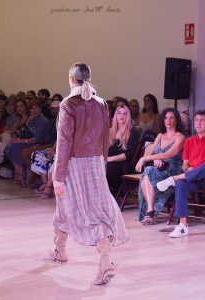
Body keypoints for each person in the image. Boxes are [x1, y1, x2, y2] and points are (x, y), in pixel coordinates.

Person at [50, 63, 128, 285]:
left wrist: (58, 175)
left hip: (73, 164)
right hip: (95, 162)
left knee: (84, 212)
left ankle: (105, 261)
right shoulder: (101, 103)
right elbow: (105, 139)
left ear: (71, 79)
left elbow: (64, 142)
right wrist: (101, 164)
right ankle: (60, 249)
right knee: (77, 208)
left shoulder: (68, 104)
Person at [157, 110, 205, 237]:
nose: (199, 123)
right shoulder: (189, 141)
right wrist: (186, 169)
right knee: (180, 184)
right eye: (197, 120)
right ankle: (183, 225)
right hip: (193, 178)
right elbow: (185, 164)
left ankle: (174, 178)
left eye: (202, 120)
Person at [135, 108, 185, 224]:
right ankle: (150, 211)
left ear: (176, 120)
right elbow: (149, 152)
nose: (168, 120)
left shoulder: (180, 137)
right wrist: (156, 157)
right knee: (148, 172)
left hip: (173, 170)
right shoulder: (160, 136)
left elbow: (169, 154)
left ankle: (150, 212)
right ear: (163, 120)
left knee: (147, 172)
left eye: (171, 117)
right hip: (159, 168)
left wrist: (145, 158)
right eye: (166, 117)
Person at [106, 105, 140, 195]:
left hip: (121, 166)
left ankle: (106, 196)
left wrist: (108, 159)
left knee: (104, 169)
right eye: (119, 113)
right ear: (115, 116)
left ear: (128, 117)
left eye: (124, 114)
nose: (121, 116)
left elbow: (128, 154)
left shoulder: (132, 132)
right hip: (106, 162)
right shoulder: (109, 131)